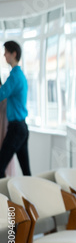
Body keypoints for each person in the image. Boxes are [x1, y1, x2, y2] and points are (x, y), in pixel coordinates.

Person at [0, 40, 31, 178]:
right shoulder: (20, 76)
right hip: (22, 127)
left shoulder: (14, 77)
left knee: (0, 167)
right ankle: (32, 198)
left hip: (16, 129)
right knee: (26, 171)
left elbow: (2, 94)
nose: (4, 55)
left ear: (14, 54)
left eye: (6, 52)